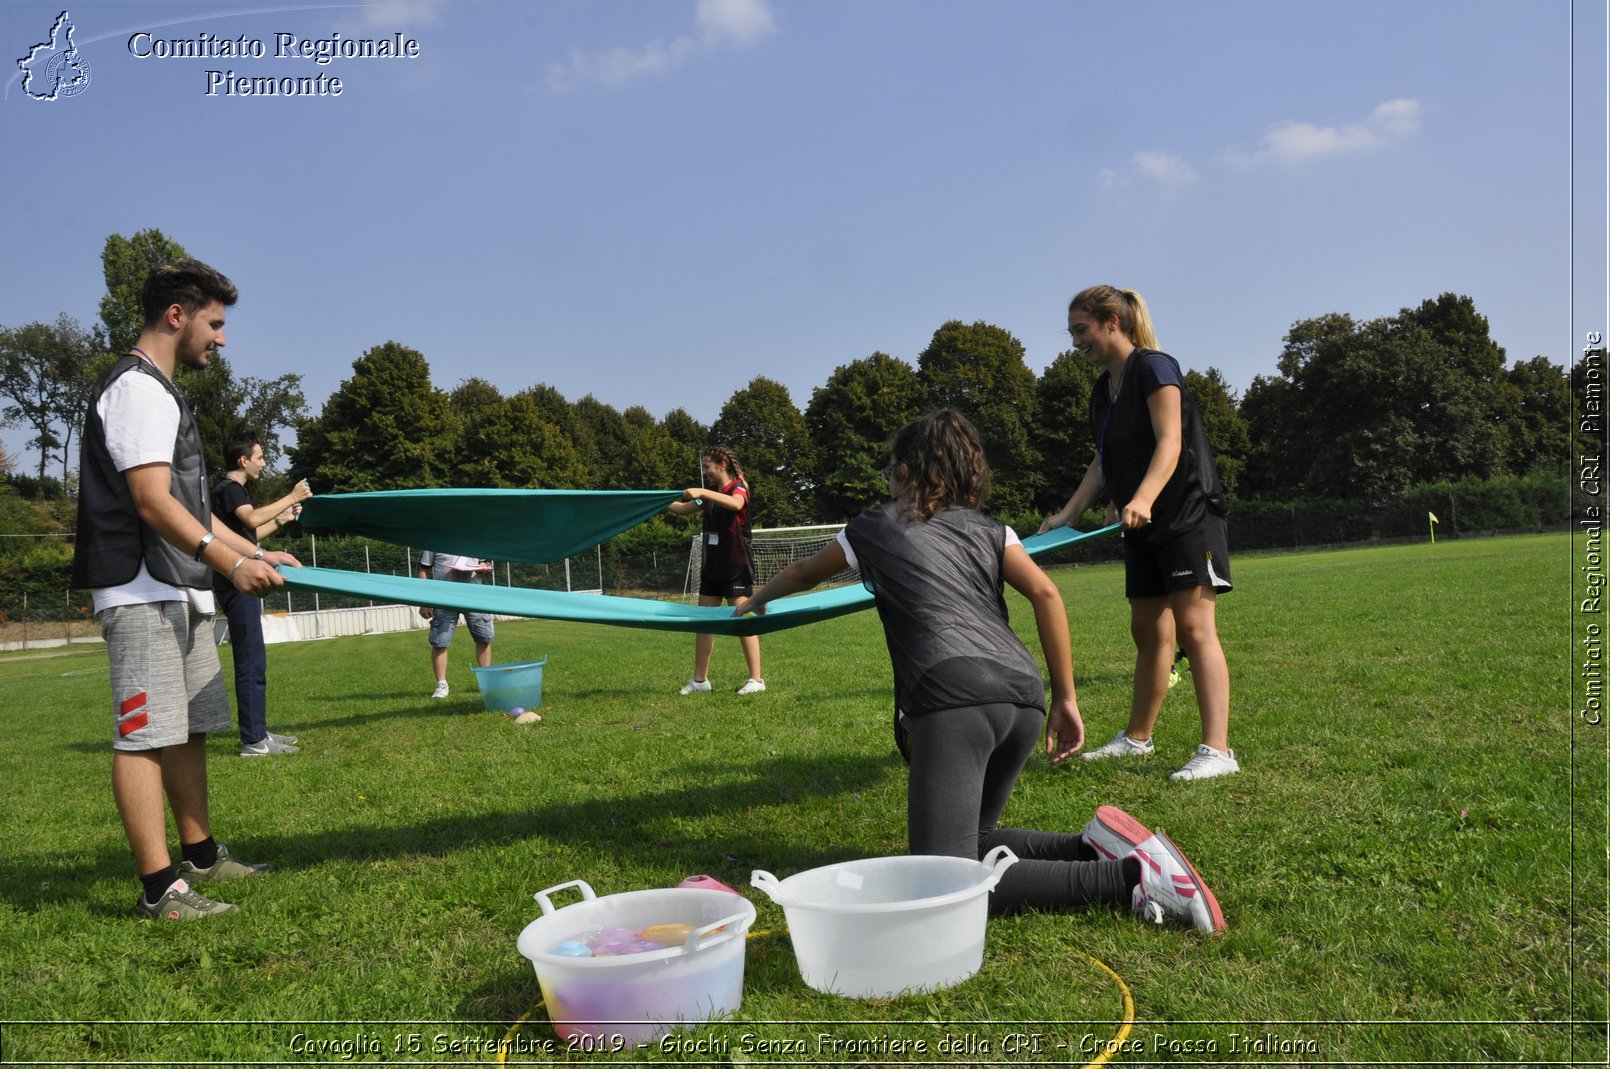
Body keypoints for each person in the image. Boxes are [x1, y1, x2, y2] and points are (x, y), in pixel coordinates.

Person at [738, 410, 1223, 928]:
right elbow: (1046, 593)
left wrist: (754, 602)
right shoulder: (994, 529)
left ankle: (1132, 880)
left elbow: (800, 572)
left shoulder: (873, 527)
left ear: (903, 471)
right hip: (1021, 696)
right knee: (975, 843)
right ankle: (1091, 848)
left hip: (953, 699)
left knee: (945, 880)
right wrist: (1065, 698)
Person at [71, 258, 300, 920]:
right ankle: (159, 889)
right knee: (144, 734)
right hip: (139, 591)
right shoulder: (138, 389)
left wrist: (251, 548)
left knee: (191, 727)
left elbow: (191, 512)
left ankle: (199, 854)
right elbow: (149, 502)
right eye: (216, 323)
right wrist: (229, 565)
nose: (221, 338)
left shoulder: (164, 393)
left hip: (181, 588)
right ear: (179, 314)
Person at [1039, 285, 1238, 782]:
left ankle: (1218, 751)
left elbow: (1170, 442)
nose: (1074, 342)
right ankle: (1137, 739)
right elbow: (1105, 460)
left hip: (1187, 514)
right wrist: (1068, 513)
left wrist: (1143, 498)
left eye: (1080, 330)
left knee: (1195, 629)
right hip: (1143, 521)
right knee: (1148, 633)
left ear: (1111, 321)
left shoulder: (1154, 367)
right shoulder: (1103, 389)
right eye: (1071, 333)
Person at [210, 431, 313, 756]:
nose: (264, 462)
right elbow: (252, 518)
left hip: (236, 577)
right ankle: (253, 741)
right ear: (243, 460)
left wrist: (281, 520)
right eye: (260, 457)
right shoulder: (230, 489)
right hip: (234, 580)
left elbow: (249, 535)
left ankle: (258, 733)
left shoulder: (231, 491)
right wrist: (291, 496)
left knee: (255, 657)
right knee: (250, 658)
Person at [667, 445, 764, 696]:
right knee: (704, 622)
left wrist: (703, 493)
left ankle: (756, 680)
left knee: (742, 619)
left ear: (722, 465)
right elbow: (681, 509)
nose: (706, 472)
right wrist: (655, 501)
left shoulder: (738, 488)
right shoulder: (708, 496)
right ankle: (700, 681)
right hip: (712, 567)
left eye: (708, 467)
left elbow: (735, 503)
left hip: (736, 565)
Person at [416, 551, 495, 699]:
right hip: (444, 598)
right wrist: (424, 601)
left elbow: (487, 564)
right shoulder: (433, 541)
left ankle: (487, 683)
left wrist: (484, 566)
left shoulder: (476, 539)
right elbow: (423, 570)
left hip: (474, 597)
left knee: (484, 639)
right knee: (440, 642)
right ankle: (441, 685)